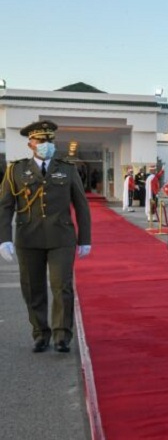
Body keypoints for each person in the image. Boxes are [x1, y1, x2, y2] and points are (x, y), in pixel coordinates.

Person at [0, 120, 92, 353]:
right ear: (30, 144)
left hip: (61, 237)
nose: (46, 144)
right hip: (28, 238)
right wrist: (4, 238)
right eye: (41, 140)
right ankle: (40, 333)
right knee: (33, 288)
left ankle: (62, 335)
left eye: (49, 140)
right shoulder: (16, 170)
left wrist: (85, 239)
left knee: (62, 287)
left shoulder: (68, 169)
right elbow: (5, 206)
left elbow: (81, 205)